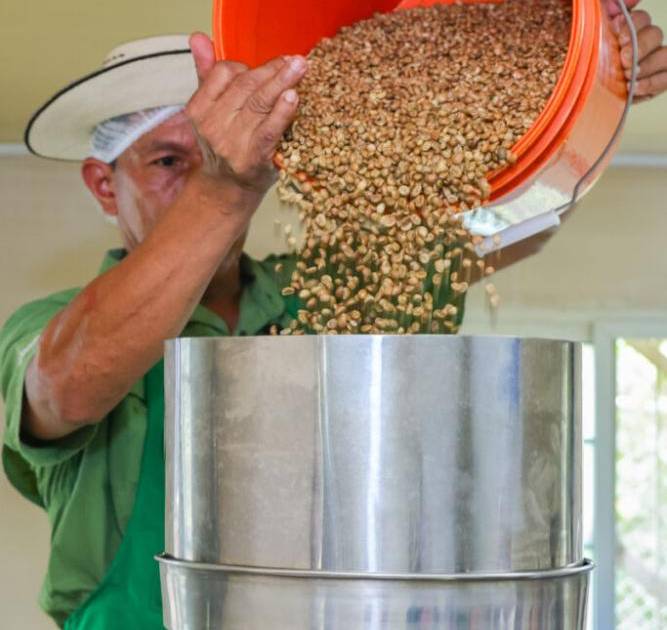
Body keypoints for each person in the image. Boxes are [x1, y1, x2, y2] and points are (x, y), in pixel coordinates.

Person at [1, 3, 666, 625]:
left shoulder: (324, 290)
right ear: (103, 185)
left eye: (213, 156)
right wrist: (224, 186)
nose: (196, 178)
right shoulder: (50, 327)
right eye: (170, 161)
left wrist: (591, 97)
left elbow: (511, 227)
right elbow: (69, 385)